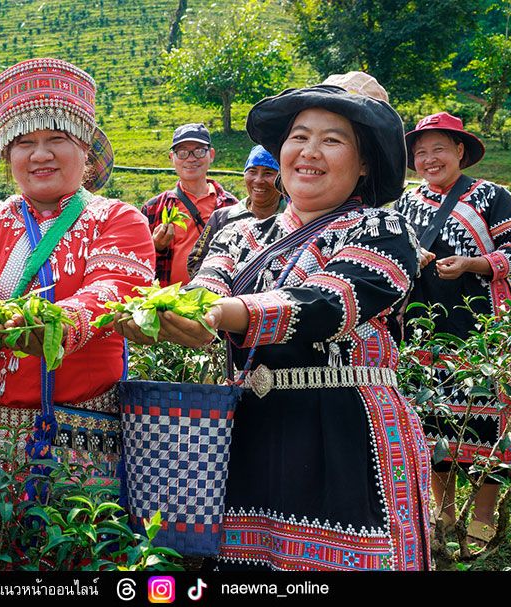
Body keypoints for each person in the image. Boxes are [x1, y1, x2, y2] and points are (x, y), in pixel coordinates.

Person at [116, 81, 431, 571]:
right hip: (249, 430)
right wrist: (160, 314)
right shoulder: (240, 233)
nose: (309, 151)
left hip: (344, 432)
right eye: (298, 137)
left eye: (332, 140)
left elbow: (329, 302)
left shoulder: (382, 230)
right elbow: (207, 288)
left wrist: (224, 313)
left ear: (365, 163)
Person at [0, 58, 156, 559]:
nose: (40, 155)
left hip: (85, 438)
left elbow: (112, 290)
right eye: (23, 143)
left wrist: (53, 325)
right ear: (7, 154)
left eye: (56, 138)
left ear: (85, 149)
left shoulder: (117, 219)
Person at [394, 111, 511, 548]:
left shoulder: (490, 196)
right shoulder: (405, 204)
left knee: (489, 425)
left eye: (439, 149)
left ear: (459, 151)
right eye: (421, 152)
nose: (429, 159)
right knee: (432, 422)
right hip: (422, 334)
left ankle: (484, 518)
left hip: (482, 332)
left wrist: (475, 263)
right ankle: (445, 514)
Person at [141, 123, 238, 286]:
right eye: (182, 153)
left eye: (199, 151)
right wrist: (155, 247)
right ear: (172, 158)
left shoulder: (231, 206)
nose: (191, 158)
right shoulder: (154, 208)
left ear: (211, 155)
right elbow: (138, 262)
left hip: (218, 296)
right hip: (167, 298)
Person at [186, 145, 287, 277]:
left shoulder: (291, 221)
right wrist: (216, 283)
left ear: (282, 178)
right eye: (252, 171)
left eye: (268, 173)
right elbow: (195, 260)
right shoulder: (221, 218)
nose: (258, 180)